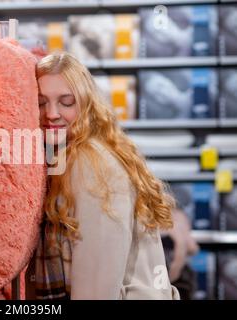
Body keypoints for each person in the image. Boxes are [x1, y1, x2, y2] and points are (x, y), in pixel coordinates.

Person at [25, 52, 180, 300]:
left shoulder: (90, 164)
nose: (51, 113)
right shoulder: (75, 155)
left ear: (86, 104)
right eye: (41, 102)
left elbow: (95, 291)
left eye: (66, 102)